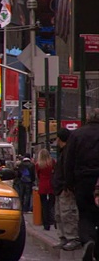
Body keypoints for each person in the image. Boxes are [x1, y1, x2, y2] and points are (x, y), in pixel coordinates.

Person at [65, 108, 99, 261]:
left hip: (83, 179)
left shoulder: (77, 135)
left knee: (85, 214)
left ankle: (88, 240)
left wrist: (69, 183)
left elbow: (68, 160)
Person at [52, 128, 82, 251]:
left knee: (68, 213)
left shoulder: (68, 153)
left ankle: (72, 238)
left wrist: (67, 185)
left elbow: (68, 170)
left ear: (60, 138)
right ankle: (64, 237)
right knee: (60, 214)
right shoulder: (64, 152)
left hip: (64, 188)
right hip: (60, 188)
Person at [35, 148, 56, 231]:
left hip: (43, 185)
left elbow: (38, 176)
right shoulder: (52, 162)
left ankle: (46, 224)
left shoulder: (38, 164)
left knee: (44, 205)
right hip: (51, 184)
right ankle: (52, 220)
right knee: (51, 204)